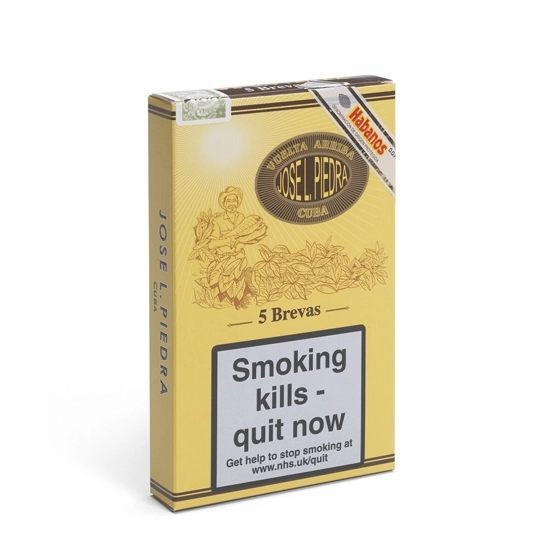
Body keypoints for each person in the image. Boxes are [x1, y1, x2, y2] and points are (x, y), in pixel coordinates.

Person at [208, 187, 245, 252]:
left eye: (234, 200)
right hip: (224, 256)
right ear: (224, 203)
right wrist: (227, 241)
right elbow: (211, 245)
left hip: (241, 255)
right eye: (228, 201)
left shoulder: (241, 217)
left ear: (237, 202)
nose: (232, 204)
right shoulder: (217, 221)